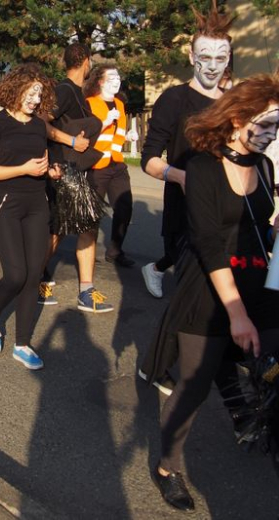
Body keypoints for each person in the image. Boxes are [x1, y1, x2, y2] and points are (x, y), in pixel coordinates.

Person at [150, 75, 279, 513]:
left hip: (258, 279)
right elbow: (207, 243)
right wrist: (237, 313)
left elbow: (262, 231)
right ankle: (167, 467)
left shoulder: (265, 167)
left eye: (277, 128)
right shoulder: (202, 167)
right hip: (209, 288)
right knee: (193, 385)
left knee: (273, 364)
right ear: (239, 118)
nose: (272, 135)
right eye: (267, 125)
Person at [139, 5, 235, 394]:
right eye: (205, 57)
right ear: (191, 57)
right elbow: (148, 159)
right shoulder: (174, 100)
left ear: (228, 59)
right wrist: (183, 177)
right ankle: (156, 366)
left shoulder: (233, 102)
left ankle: (221, 359)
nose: (212, 66)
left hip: (229, 213)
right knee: (191, 298)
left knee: (220, 294)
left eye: (220, 58)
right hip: (186, 215)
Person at [0, 63, 61, 370]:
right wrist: (24, 169)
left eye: (39, 93)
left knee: (33, 275)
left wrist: (51, 171)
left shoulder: (39, 125)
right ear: (15, 89)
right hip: (7, 204)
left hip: (37, 204)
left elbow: (42, 161)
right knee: (16, 274)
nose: (35, 99)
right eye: (30, 92)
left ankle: (23, 344)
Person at [41, 42, 106, 310]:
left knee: (89, 225)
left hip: (81, 170)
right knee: (57, 229)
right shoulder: (64, 90)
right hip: (62, 169)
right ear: (86, 61)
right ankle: (35, 279)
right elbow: (41, 121)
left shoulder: (79, 93)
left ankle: (86, 291)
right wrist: (71, 140)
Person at [84, 64, 135, 270]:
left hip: (117, 165)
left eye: (118, 76)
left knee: (125, 209)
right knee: (93, 214)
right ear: (100, 81)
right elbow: (85, 134)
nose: (117, 80)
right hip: (96, 166)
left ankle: (115, 251)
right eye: (112, 77)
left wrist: (128, 137)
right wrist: (104, 122)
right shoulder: (89, 104)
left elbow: (117, 135)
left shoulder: (120, 104)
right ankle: (88, 252)